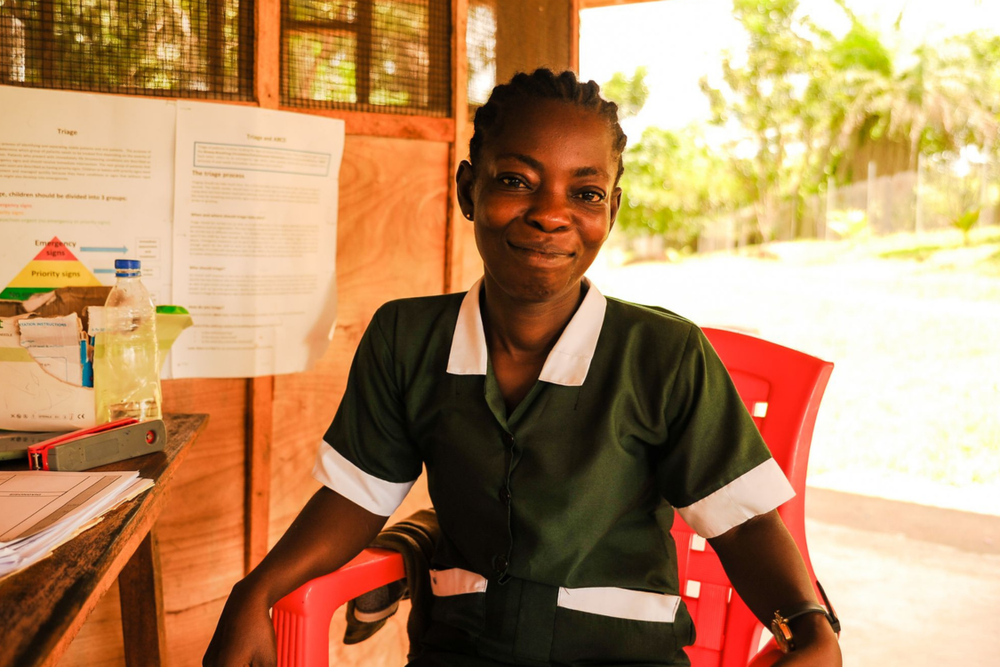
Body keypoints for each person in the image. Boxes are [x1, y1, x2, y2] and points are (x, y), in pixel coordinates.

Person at [204, 69, 842, 667]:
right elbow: (357, 494)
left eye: (585, 193)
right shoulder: (406, 339)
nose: (551, 213)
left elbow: (743, 524)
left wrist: (810, 627)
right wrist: (255, 591)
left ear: (612, 210)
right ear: (468, 190)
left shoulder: (665, 354)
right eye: (516, 181)